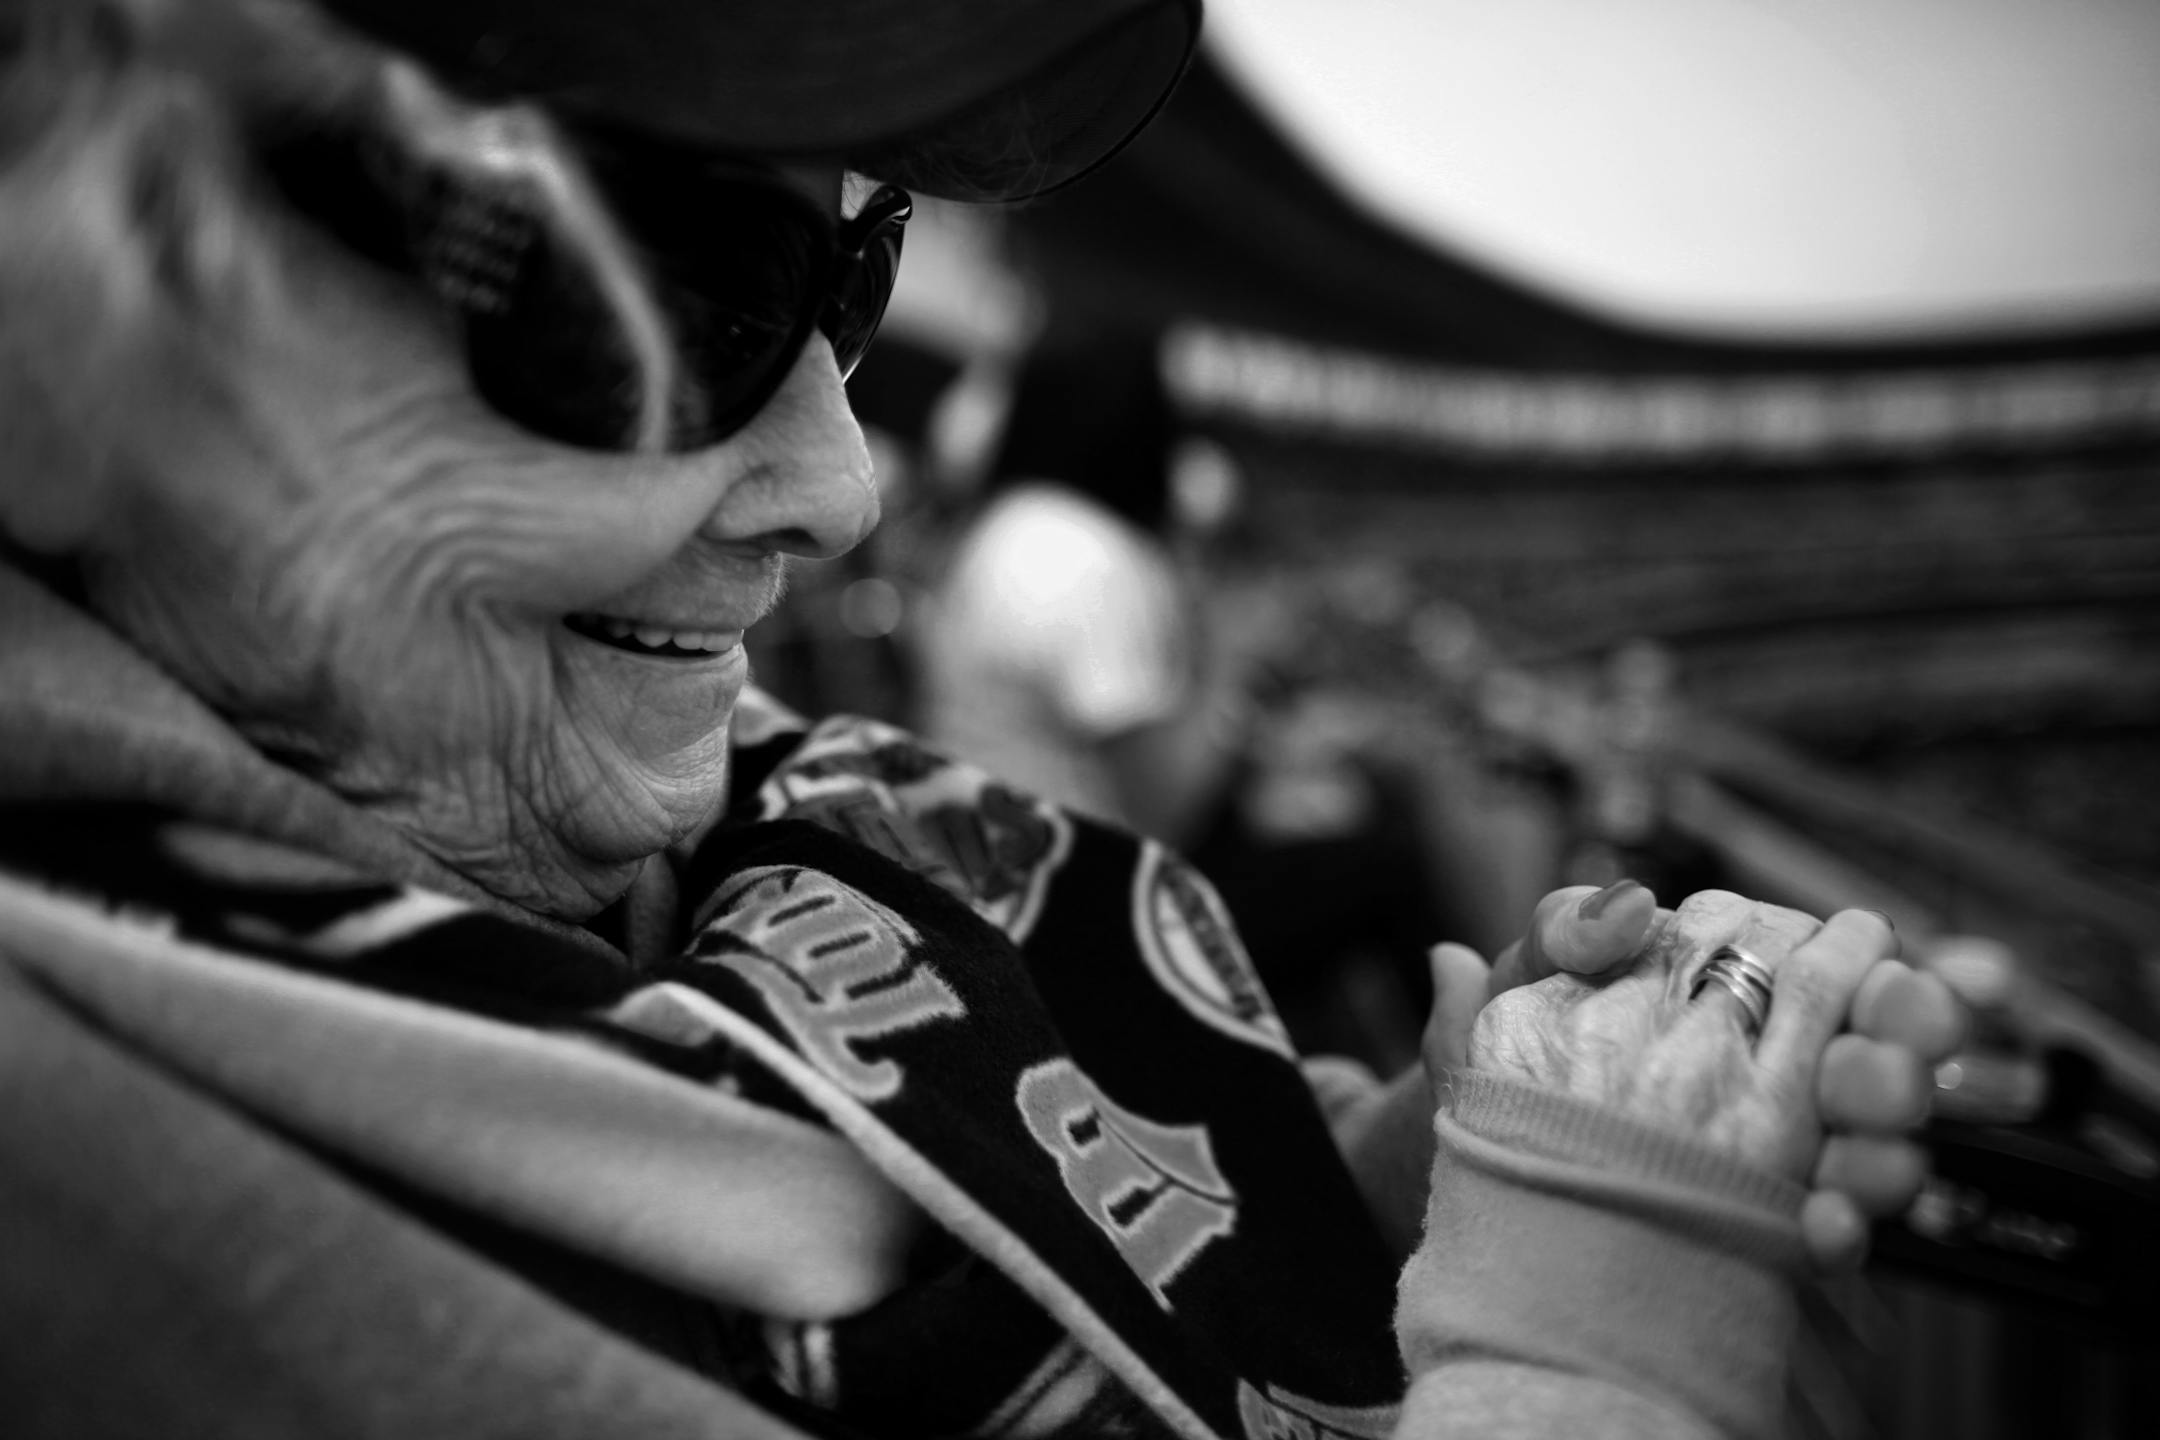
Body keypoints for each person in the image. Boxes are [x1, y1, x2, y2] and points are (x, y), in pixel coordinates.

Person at [0, 2, 1963, 1438]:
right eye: (673, 296)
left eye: (852, 275)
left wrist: (1405, 1204)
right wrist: (1589, 1331)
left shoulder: (699, 827)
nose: (841, 484)